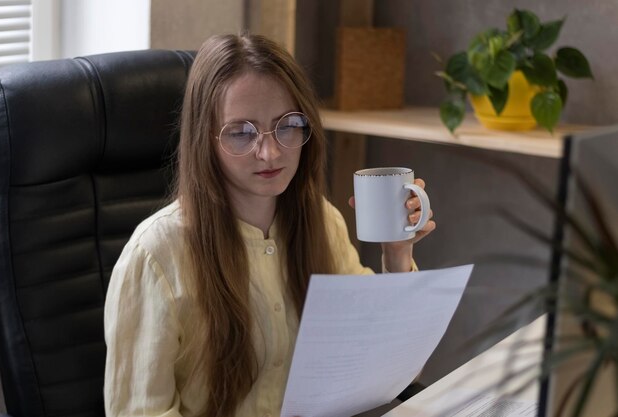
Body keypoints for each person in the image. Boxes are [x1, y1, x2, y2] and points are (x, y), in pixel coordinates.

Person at [103, 33, 435, 417]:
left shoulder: (323, 221)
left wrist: (397, 253)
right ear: (204, 140)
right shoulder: (154, 256)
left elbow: (392, 369)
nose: (271, 151)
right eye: (241, 132)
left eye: (288, 125)